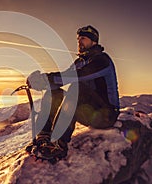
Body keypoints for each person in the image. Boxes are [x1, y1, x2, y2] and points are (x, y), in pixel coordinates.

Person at [26, 25, 120, 161]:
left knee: (77, 88)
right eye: (78, 39)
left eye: (83, 38)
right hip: (90, 113)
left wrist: (46, 78)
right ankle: (44, 136)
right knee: (54, 92)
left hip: (106, 115)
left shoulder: (102, 60)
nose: (79, 42)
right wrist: (43, 82)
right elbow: (65, 77)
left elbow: (78, 76)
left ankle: (58, 144)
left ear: (94, 41)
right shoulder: (79, 62)